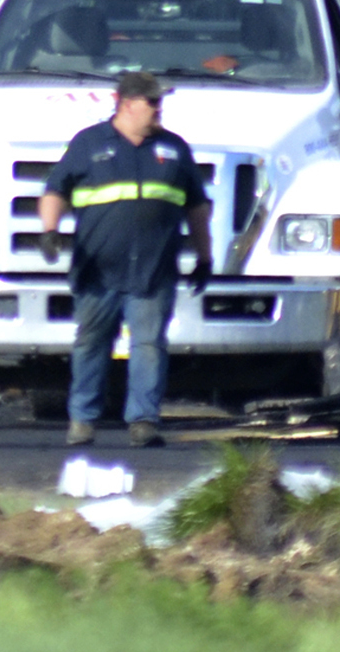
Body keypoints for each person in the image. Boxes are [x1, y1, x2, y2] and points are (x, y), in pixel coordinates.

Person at [36, 70, 211, 447]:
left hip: (153, 270)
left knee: (148, 344)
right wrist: (49, 230)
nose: (159, 109)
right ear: (127, 104)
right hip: (98, 270)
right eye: (153, 102)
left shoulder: (175, 149)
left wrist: (205, 256)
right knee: (91, 342)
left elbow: (197, 206)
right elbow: (55, 189)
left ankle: (144, 421)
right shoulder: (88, 144)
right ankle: (82, 420)